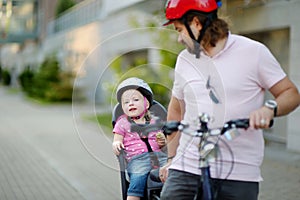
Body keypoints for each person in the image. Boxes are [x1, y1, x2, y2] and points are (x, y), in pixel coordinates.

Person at [159, 0, 300, 200]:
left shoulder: (253, 52)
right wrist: (171, 159)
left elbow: (290, 93)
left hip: (238, 171)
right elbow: (176, 111)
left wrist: (269, 109)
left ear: (196, 23)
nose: (179, 39)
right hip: (187, 166)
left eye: (179, 29)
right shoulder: (185, 59)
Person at [112, 77, 167, 200]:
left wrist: (163, 142)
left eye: (135, 99)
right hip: (138, 159)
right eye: (126, 102)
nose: (130, 103)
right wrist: (116, 143)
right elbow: (117, 138)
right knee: (138, 178)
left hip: (159, 156)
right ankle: (133, 197)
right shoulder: (122, 122)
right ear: (122, 107)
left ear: (146, 103)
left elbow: (164, 145)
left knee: (172, 171)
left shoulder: (155, 122)